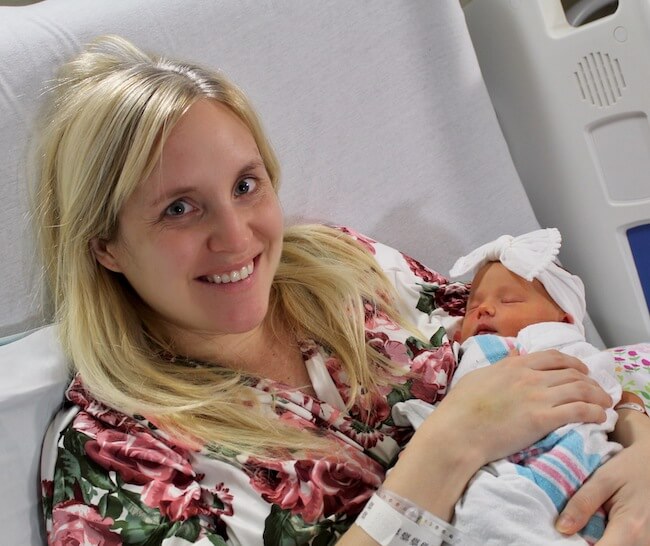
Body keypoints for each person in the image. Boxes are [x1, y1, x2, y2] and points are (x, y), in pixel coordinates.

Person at [35, 35, 650, 546]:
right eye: (179, 208)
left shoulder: (347, 269)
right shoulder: (116, 458)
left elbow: (539, 350)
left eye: (246, 186)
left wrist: (636, 439)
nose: (235, 236)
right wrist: (446, 450)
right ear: (104, 245)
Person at [393, 228, 649, 544]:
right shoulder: (456, 353)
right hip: (485, 468)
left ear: (564, 320)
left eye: (509, 299)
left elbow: (600, 387)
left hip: (558, 455)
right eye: (473, 305)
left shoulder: (556, 341)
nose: (483, 309)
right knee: (487, 510)